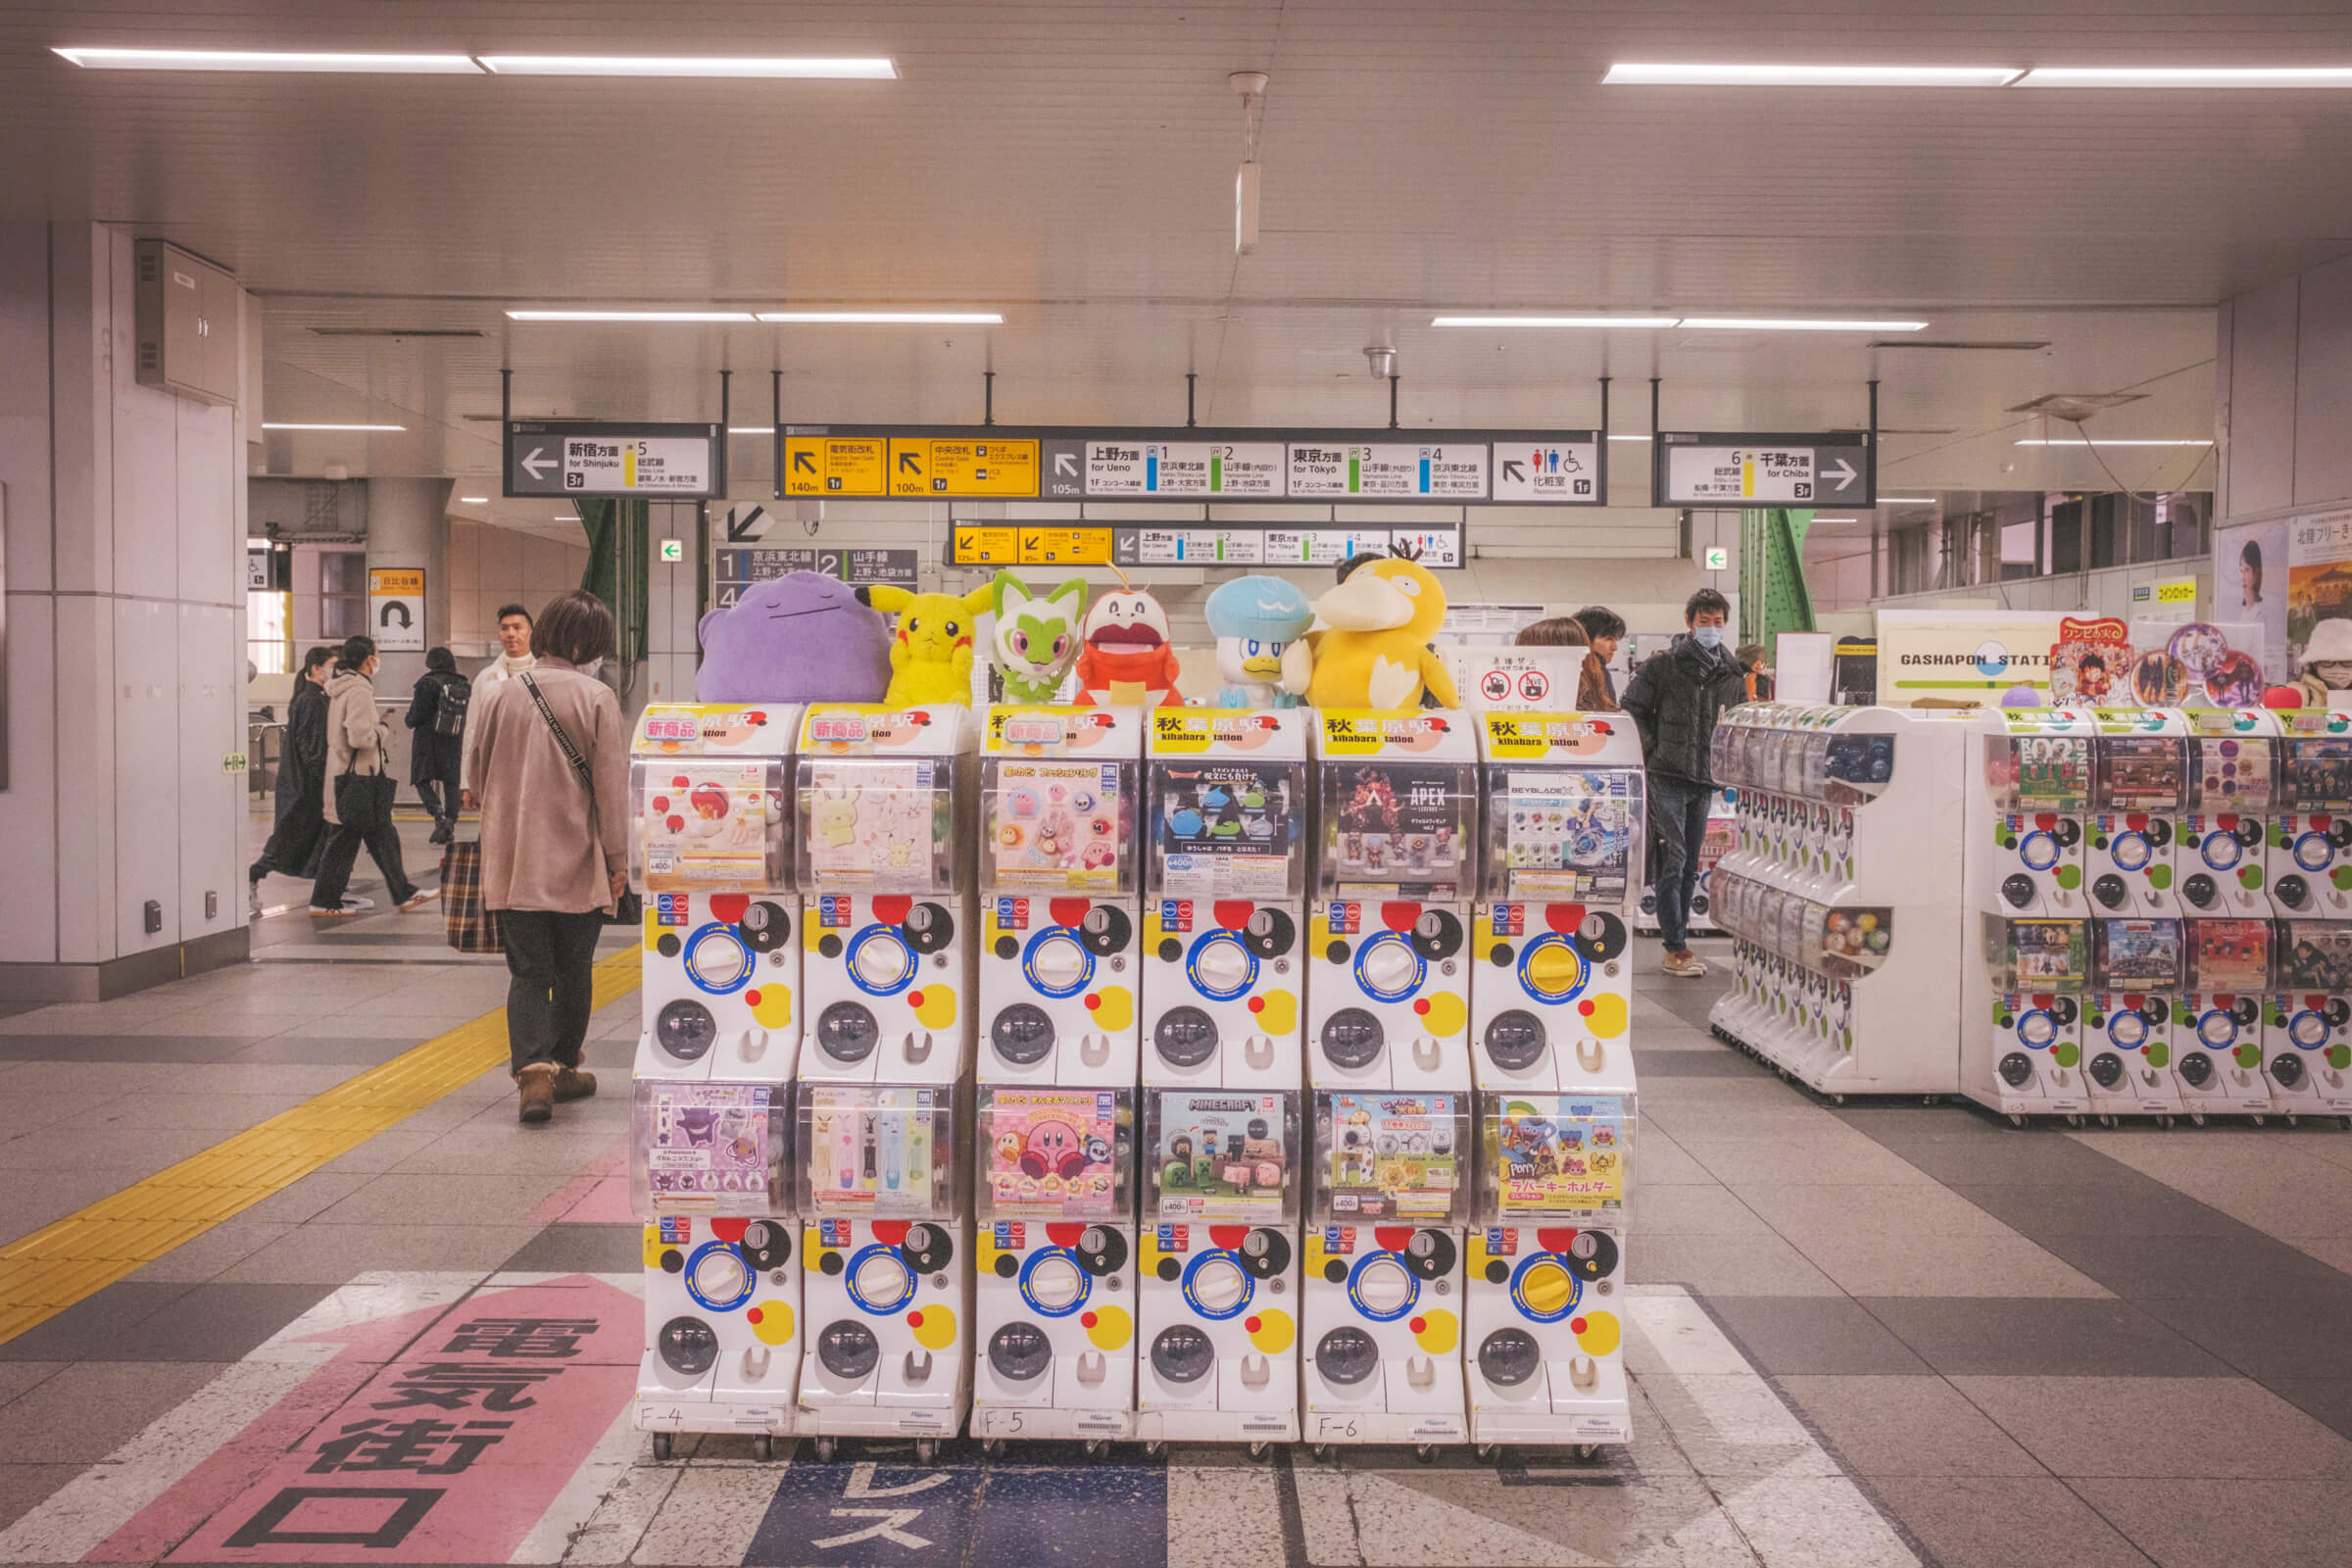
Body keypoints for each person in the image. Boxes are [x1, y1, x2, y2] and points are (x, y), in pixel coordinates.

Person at [468, 590, 627, 1124]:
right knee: (575, 967)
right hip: (577, 860)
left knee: (529, 970)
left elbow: (475, 776)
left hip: (514, 861)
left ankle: (532, 1073)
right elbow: (611, 791)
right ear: (587, 643)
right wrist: (619, 858)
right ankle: (563, 1065)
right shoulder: (597, 697)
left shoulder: (502, 694)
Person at [1622, 588, 1745, 978]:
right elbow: (1632, 709)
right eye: (1704, 621)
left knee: (1691, 864)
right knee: (1673, 860)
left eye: (1717, 622)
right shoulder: (1663, 667)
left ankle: (1678, 944)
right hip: (1667, 775)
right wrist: (1654, 751)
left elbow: (1736, 720)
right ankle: (1676, 947)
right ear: (1689, 622)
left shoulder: (1731, 671)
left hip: (1704, 778)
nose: (1711, 628)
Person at [312, 635, 436, 917]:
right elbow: (360, 737)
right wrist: (382, 728)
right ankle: (324, 901)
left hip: (349, 775)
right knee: (347, 839)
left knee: (381, 836)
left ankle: (404, 893)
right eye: (377, 655)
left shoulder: (342, 688)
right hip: (360, 779)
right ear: (369, 659)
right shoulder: (358, 690)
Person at [248, 645, 337, 912]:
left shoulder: (316, 698)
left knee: (320, 839)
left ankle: (332, 889)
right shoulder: (311, 701)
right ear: (316, 669)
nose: (336, 672)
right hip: (305, 789)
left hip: (306, 786)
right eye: (332, 666)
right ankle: (251, 877)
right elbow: (313, 749)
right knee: (287, 841)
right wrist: (327, 780)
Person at [462, 603, 536, 808]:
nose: (510, 633)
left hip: (537, 771)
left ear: (531, 632)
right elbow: (472, 730)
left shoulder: (545, 675)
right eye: (505, 628)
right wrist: (467, 782)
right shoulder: (486, 678)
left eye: (517, 627)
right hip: (497, 770)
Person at [405, 647, 470, 845]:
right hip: (453, 739)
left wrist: (409, 720)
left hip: (427, 739)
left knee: (421, 779)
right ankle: (450, 820)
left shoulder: (427, 684)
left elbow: (415, 716)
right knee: (451, 782)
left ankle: (438, 815)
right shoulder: (463, 684)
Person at [1573, 605, 1626, 710]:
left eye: (1615, 640)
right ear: (1586, 638)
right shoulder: (1594, 671)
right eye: (1608, 639)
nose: (1615, 647)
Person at [2241, 540, 2265, 613]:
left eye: (2247, 570)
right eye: (2241, 571)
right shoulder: (2244, 612)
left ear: (2256, 574)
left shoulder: (2258, 614)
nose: (2243, 578)